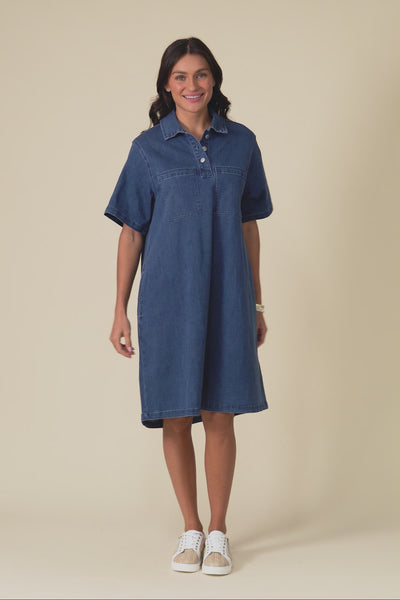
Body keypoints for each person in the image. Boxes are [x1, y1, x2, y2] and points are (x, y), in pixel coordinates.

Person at [103, 37, 273, 575]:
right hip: (168, 299)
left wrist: (257, 303)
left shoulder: (242, 143)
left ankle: (218, 532)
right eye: (180, 76)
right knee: (175, 414)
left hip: (228, 296)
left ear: (214, 79)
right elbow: (132, 232)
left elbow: (249, 226)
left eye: (201, 74)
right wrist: (119, 308)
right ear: (166, 85)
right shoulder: (147, 149)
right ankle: (191, 529)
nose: (192, 85)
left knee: (220, 412)